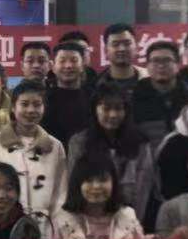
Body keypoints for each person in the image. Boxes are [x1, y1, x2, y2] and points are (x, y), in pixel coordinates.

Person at [0, 79, 68, 221]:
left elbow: (61, 194)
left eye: (37, 104)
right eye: (24, 104)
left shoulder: (55, 146)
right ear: (13, 107)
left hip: (46, 226)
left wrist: (57, 227)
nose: (31, 110)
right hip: (6, 224)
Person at [67, 88, 157, 219]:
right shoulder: (79, 142)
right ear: (95, 110)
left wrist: (130, 220)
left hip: (129, 216)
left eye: (118, 109)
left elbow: (143, 189)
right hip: (88, 216)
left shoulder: (141, 143)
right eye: (106, 109)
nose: (113, 115)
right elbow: (75, 184)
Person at [55, 155, 147, 239]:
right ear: (77, 184)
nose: (96, 186)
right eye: (89, 180)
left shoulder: (128, 216)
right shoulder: (63, 220)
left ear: (114, 183)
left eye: (102, 180)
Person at [131, 40, 188, 147]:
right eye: (155, 61)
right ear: (147, 66)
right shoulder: (134, 97)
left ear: (177, 65)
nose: (161, 66)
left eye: (167, 60)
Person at [43, 41, 92, 147]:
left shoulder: (93, 98)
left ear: (83, 65)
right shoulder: (44, 99)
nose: (68, 66)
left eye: (74, 60)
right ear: (53, 66)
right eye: (62, 61)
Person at [96, 23, 146, 96]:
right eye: (115, 44)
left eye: (127, 43)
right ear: (106, 50)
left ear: (137, 47)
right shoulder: (95, 85)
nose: (122, 49)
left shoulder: (150, 80)